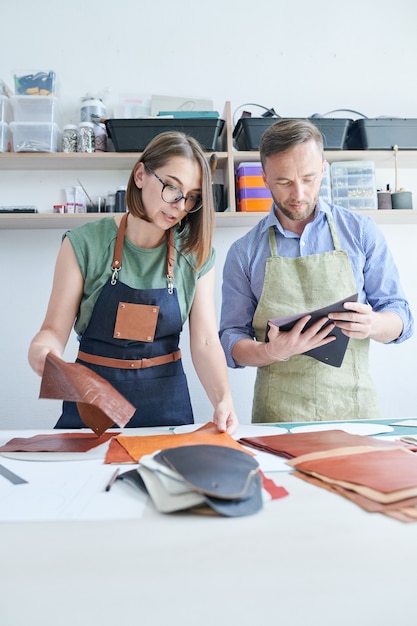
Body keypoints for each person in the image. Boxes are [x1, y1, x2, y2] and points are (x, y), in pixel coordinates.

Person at [29, 131, 238, 434]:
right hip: (92, 409)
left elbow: (205, 341)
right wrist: (42, 350)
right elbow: (52, 332)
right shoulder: (84, 243)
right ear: (141, 174)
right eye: (171, 187)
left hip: (167, 408)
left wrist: (224, 398)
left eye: (192, 196)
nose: (180, 205)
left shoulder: (196, 253)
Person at [219, 118, 413, 423]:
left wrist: (373, 323)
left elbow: (401, 317)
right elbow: (231, 340)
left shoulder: (361, 232)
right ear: (265, 179)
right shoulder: (244, 252)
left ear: (323, 169)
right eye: (284, 181)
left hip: (356, 413)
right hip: (277, 418)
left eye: (309, 178)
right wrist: (271, 352)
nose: (298, 193)